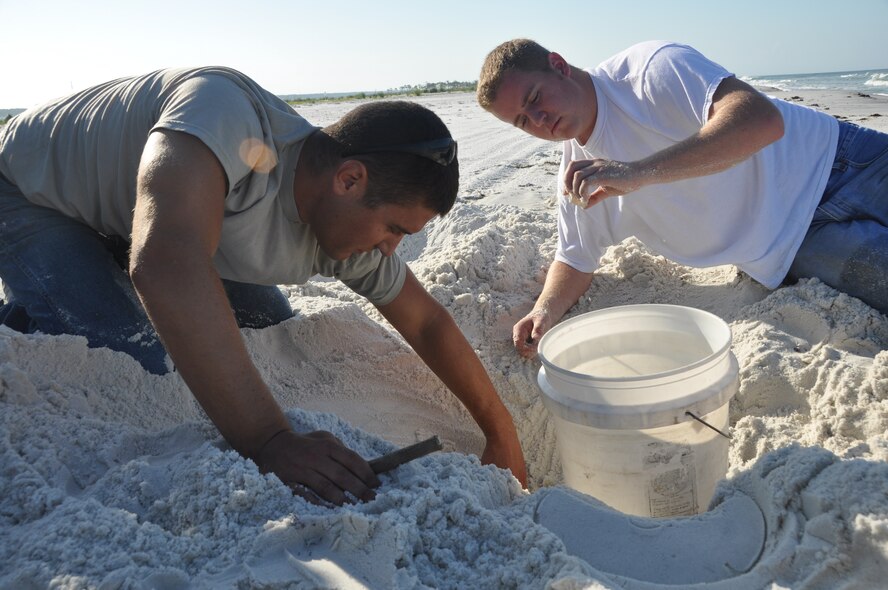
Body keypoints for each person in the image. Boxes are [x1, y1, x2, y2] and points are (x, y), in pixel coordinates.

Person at [0, 66, 527, 503]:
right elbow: (164, 264)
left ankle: (106, 254)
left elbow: (429, 321)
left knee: (270, 325)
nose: (392, 248)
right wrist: (271, 439)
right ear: (349, 180)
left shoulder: (349, 232)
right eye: (394, 229)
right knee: (142, 360)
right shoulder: (223, 113)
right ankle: (21, 319)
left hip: (139, 215)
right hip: (27, 190)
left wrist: (500, 432)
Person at [477, 39, 888, 358]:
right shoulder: (580, 177)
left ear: (559, 66)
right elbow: (575, 257)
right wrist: (544, 311)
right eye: (522, 121)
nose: (539, 120)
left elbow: (762, 120)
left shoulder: (648, 71)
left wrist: (639, 173)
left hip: (840, 161)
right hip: (793, 243)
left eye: (534, 99)